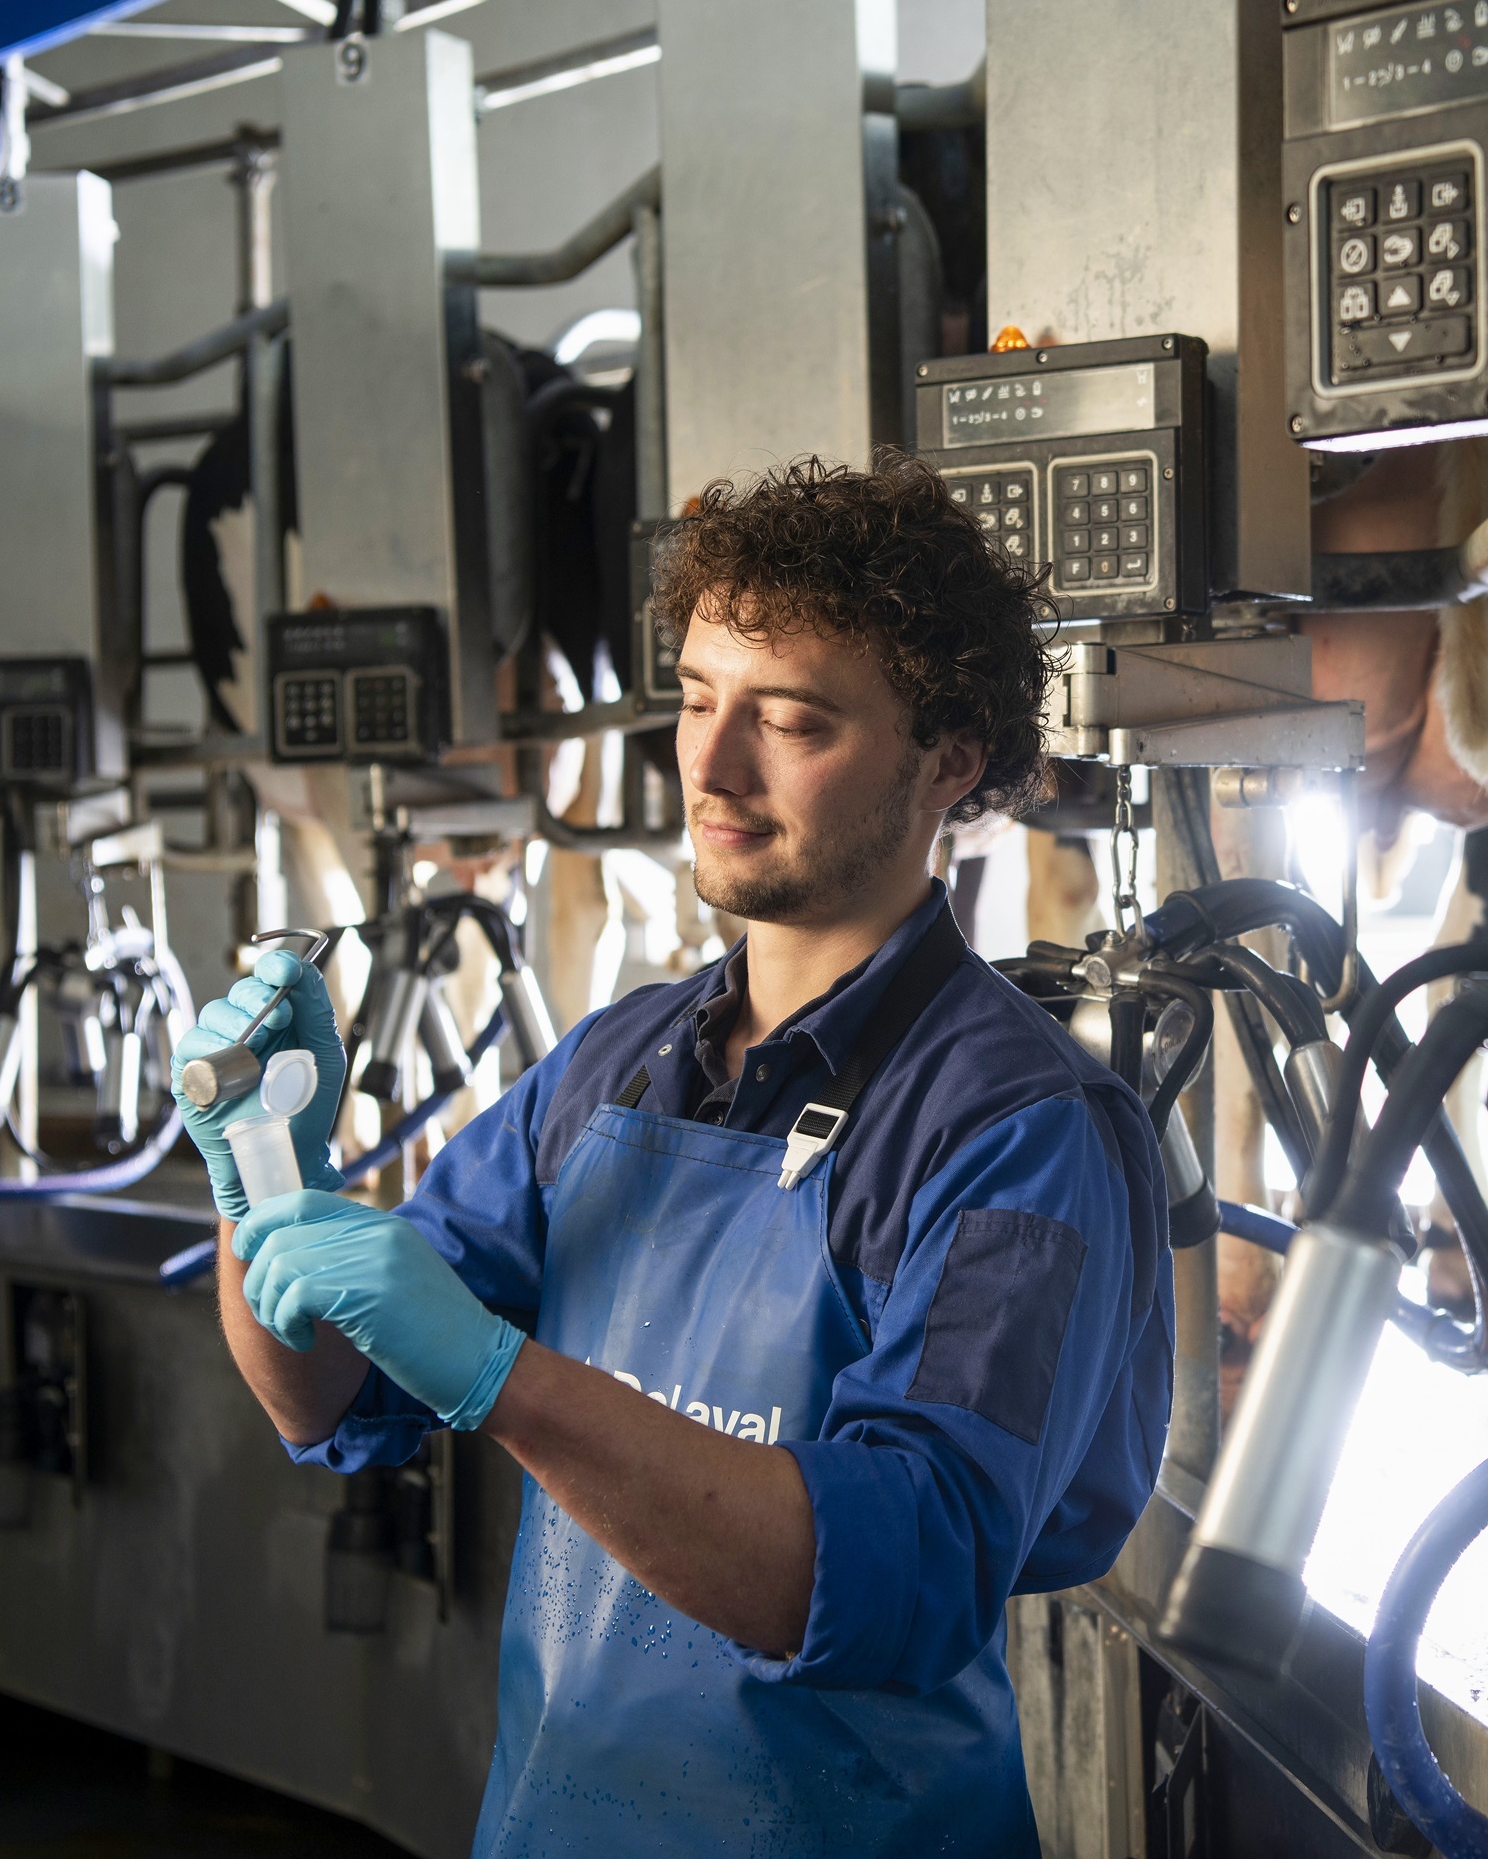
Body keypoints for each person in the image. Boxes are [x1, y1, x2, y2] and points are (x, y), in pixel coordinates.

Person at [175, 454, 1172, 1856]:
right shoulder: (613, 1066)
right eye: (699, 701)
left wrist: (500, 1377)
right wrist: (262, 1181)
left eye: (793, 721)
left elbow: (894, 1575)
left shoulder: (1018, 1130)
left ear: (947, 759)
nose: (709, 767)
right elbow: (330, 1404)